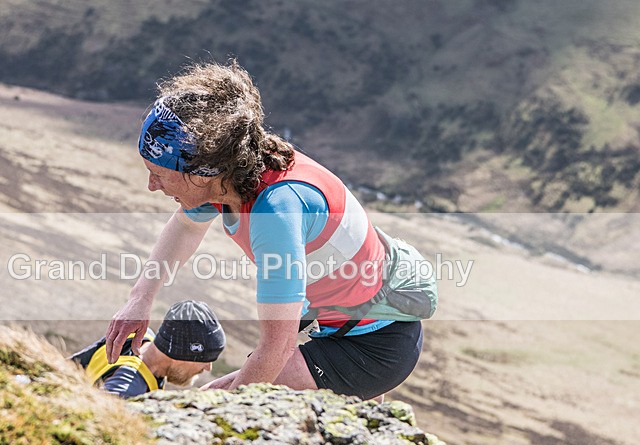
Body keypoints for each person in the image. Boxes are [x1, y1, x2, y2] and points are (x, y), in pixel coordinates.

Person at [105, 60, 427, 401]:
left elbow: (277, 348)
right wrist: (140, 299)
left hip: (374, 347)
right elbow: (186, 226)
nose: (151, 186)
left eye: (159, 174)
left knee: (216, 400)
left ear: (202, 173)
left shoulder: (275, 214)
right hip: (343, 321)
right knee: (229, 388)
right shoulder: (232, 166)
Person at [72, 300, 225, 398]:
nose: (208, 367)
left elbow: (69, 364)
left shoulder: (133, 338)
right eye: (205, 360)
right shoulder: (128, 389)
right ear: (178, 354)